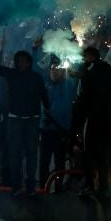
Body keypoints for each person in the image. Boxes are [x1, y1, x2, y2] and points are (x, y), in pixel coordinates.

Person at [0, 45, 49, 196]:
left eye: (24, 61)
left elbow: (43, 94)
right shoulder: (12, 74)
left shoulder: (36, 77)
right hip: (14, 119)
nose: (20, 63)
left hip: (32, 120)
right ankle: (16, 186)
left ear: (29, 62)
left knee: (31, 154)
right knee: (14, 153)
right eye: (18, 61)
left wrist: (47, 110)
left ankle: (30, 187)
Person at [72, 47, 111, 197]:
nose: (84, 58)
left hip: (96, 117)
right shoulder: (95, 69)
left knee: (90, 152)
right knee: (99, 153)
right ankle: (101, 186)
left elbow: (95, 89)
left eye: (85, 56)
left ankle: (93, 185)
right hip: (102, 118)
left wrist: (81, 75)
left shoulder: (100, 69)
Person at [38, 57, 77, 192]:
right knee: (44, 161)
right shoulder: (45, 85)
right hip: (46, 130)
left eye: (58, 70)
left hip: (61, 131)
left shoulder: (69, 85)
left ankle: (58, 189)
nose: (55, 72)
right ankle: (43, 188)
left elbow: (75, 74)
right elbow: (38, 69)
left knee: (60, 162)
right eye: (53, 69)